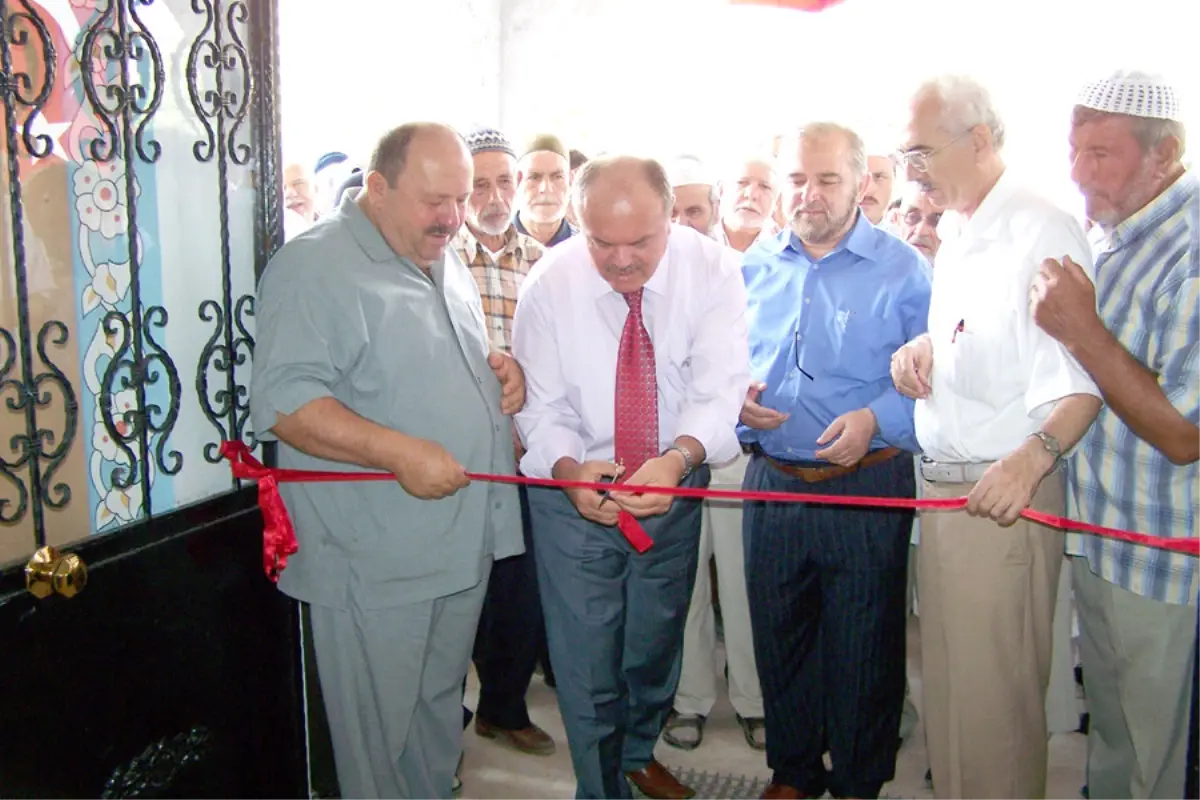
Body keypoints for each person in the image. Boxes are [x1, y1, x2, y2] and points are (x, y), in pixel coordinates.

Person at [250, 122, 527, 800]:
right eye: (435, 200)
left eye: (461, 199)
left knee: (437, 710)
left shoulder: (438, 252)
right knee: (377, 740)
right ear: (377, 188)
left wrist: (503, 372)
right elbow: (285, 404)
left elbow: (438, 358)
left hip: (457, 541)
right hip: (376, 555)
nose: (453, 218)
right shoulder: (315, 265)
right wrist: (400, 451)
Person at [890, 75, 1101, 800]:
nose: (913, 172)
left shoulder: (1039, 228)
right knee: (949, 698)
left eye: (922, 153)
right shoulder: (960, 230)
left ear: (979, 140)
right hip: (945, 492)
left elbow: (1079, 380)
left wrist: (1033, 459)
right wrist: (923, 350)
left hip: (1001, 494)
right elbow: (987, 341)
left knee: (995, 715)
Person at [513, 155, 750, 800]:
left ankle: (638, 750)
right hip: (575, 497)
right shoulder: (549, 284)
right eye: (601, 242)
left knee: (654, 640)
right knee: (588, 661)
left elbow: (719, 387)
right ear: (577, 223)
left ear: (671, 218)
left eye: (639, 242)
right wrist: (568, 471)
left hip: (673, 483)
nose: (620, 260)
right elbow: (542, 405)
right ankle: (601, 785)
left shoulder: (713, 270)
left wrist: (677, 459)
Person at [740, 122, 932, 800]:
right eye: (797, 179)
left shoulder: (903, 269)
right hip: (771, 482)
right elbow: (718, 366)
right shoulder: (753, 263)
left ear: (862, 184)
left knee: (865, 648)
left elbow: (936, 382)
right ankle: (793, 772)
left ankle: (857, 781)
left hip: (867, 483)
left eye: (826, 180)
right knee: (779, 636)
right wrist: (738, 401)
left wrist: (878, 417)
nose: (809, 195)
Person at [1032, 69, 1199, 800]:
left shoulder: (1190, 252)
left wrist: (1081, 328)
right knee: (1114, 736)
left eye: (1101, 154)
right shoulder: (1118, 237)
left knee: (1154, 754)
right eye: (1074, 150)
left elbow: (1185, 435)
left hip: (1161, 563)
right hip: (1101, 539)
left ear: (1164, 155)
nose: (1078, 173)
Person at [449, 126, 555, 759]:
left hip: (525, 455)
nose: (493, 196)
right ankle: (445, 721)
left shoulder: (544, 264)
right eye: (479, 184)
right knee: (457, 588)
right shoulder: (434, 258)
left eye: (504, 182)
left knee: (519, 587)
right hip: (456, 456)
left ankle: (504, 708)